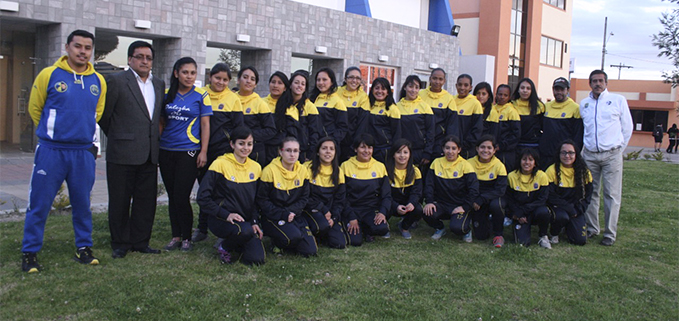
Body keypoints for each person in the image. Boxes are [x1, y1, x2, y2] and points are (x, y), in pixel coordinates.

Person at [22, 29, 106, 273]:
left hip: (82, 153)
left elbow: (96, 114)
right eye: (78, 46)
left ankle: (83, 248)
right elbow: (35, 109)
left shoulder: (98, 81)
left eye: (87, 48)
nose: (82, 51)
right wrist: (55, 132)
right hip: (52, 151)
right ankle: (30, 252)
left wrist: (81, 134)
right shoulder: (49, 74)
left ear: (92, 51)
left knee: (82, 204)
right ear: (67, 47)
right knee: (39, 203)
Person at [100, 40, 165, 258]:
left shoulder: (158, 83)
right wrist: (121, 137)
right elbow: (105, 116)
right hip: (122, 152)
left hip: (149, 153)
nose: (144, 61)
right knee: (119, 200)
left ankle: (140, 241)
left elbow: (155, 118)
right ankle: (120, 242)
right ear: (130, 59)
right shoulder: (116, 81)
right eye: (139, 57)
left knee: (146, 202)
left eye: (148, 58)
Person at [159, 57, 212, 252]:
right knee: (172, 196)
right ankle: (175, 236)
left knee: (182, 196)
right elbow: (161, 122)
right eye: (185, 72)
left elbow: (205, 124)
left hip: (189, 152)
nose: (189, 76)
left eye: (192, 73)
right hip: (166, 151)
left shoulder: (201, 95)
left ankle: (187, 237)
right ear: (176, 73)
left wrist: (203, 151)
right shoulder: (166, 95)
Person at [196, 126, 265, 265]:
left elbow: (256, 201)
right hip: (221, 219)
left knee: (256, 259)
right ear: (232, 144)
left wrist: (254, 221)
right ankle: (224, 247)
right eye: (241, 143)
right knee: (244, 232)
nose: (245, 148)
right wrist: (225, 214)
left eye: (249, 144)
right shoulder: (219, 164)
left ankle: (235, 241)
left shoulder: (256, 167)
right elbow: (202, 197)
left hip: (244, 222)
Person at [579, 69, 633, 246]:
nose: (598, 84)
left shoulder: (618, 100)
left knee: (612, 194)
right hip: (590, 155)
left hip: (612, 154)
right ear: (590, 83)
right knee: (591, 192)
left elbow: (627, 127)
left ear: (606, 83)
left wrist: (618, 149)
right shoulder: (584, 104)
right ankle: (593, 228)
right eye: (594, 81)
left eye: (601, 80)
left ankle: (610, 233)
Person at [192, 62, 244, 243]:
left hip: (222, 153)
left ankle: (221, 230)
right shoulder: (199, 94)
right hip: (199, 151)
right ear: (210, 77)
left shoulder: (233, 98)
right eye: (217, 78)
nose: (221, 82)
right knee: (204, 190)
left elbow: (238, 128)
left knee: (221, 192)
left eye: (225, 79)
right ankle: (202, 228)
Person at [258, 137, 316, 256]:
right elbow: (262, 200)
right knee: (291, 237)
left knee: (310, 251)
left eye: (295, 151)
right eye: (288, 150)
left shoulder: (303, 170)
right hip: (274, 216)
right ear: (280, 151)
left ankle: (291, 237)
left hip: (294, 215)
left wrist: (293, 212)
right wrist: (282, 214)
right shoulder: (269, 171)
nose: (292, 154)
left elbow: (304, 198)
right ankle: (277, 242)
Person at [423, 135, 479, 242]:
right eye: (447, 148)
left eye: (454, 148)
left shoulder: (465, 165)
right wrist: (429, 202)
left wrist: (465, 207)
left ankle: (467, 230)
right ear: (443, 149)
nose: (450, 151)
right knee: (426, 212)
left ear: (459, 150)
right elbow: (429, 185)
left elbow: (474, 190)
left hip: (459, 205)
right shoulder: (436, 163)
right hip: (442, 204)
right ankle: (440, 228)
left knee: (458, 228)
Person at [341, 133, 392, 246]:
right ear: (355, 149)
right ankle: (355, 225)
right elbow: (341, 196)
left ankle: (367, 228)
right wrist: (351, 217)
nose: (366, 151)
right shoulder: (345, 166)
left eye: (369, 147)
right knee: (355, 241)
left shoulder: (380, 167)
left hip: (370, 209)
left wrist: (382, 212)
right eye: (362, 147)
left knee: (382, 229)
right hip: (353, 209)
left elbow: (386, 195)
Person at [545, 140, 592, 246]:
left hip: (576, 209)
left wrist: (579, 209)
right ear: (559, 154)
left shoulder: (584, 172)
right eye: (564, 152)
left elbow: (588, 195)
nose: (567, 156)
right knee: (562, 217)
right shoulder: (551, 171)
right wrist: (569, 209)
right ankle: (554, 233)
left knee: (580, 241)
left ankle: (568, 228)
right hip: (559, 208)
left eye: (571, 153)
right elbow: (550, 196)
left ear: (576, 154)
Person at [304, 137, 348, 249]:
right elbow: (304, 197)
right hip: (311, 210)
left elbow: (340, 200)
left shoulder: (339, 172)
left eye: (331, 149)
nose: (328, 151)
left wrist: (333, 218)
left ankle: (322, 234)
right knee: (321, 226)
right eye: (324, 148)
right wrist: (322, 209)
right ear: (318, 152)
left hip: (329, 214)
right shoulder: (306, 168)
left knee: (340, 243)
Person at [505, 148, 551, 248]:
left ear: (535, 163)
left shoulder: (542, 176)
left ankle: (543, 236)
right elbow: (509, 199)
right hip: (519, 215)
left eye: (530, 160)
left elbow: (542, 199)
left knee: (544, 212)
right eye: (524, 159)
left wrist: (523, 211)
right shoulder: (511, 176)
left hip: (534, 212)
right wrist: (517, 214)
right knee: (522, 243)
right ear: (519, 161)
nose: (527, 162)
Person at [468, 135, 508, 248]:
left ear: (495, 150)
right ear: (477, 149)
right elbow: (466, 186)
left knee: (497, 205)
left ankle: (499, 234)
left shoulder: (499, 165)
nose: (485, 150)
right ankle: (487, 221)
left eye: (489, 148)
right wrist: (474, 200)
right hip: (476, 200)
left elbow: (500, 190)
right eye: (482, 147)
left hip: (492, 198)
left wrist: (481, 199)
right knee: (481, 236)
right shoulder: (468, 163)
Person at [273, 70, 321, 162]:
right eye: (296, 82)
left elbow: (314, 132)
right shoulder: (282, 103)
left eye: (303, 84)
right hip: (284, 151)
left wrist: (310, 153)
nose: (299, 86)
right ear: (290, 85)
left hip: (302, 152)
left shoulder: (310, 106)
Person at [236, 66, 277, 165]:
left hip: (255, 153)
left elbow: (271, 130)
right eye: (245, 77)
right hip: (233, 150)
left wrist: (248, 137)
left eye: (252, 79)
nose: (248, 81)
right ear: (238, 80)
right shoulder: (231, 100)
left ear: (255, 84)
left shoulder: (260, 103)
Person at [539, 77, 583, 169]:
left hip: (564, 156)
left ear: (568, 90)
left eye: (562, 89)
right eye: (556, 89)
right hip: (546, 155)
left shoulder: (575, 108)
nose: (559, 92)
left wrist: (572, 155)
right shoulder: (546, 106)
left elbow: (578, 135)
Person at [384, 139, 423, 239]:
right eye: (398, 152)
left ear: (410, 154)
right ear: (393, 154)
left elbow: (417, 192)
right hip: (391, 203)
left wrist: (411, 203)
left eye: (405, 152)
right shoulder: (386, 170)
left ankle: (404, 227)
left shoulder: (415, 171)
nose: (402, 156)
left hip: (406, 205)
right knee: (383, 206)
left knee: (418, 209)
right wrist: (396, 206)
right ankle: (384, 227)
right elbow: (385, 194)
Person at [418, 68, 457, 156]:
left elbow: (451, 125)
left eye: (440, 79)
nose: (437, 82)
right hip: (422, 141)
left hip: (439, 142)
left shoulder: (449, 98)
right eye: (434, 78)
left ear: (444, 81)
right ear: (430, 79)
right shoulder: (420, 95)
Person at [397, 75, 435, 167]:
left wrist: (427, 152)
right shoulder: (397, 107)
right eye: (410, 86)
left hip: (420, 153)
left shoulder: (425, 107)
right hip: (401, 153)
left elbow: (431, 132)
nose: (413, 90)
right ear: (405, 87)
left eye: (416, 87)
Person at [361, 77, 401, 163]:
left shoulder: (392, 109)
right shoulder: (367, 106)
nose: (379, 91)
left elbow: (397, 134)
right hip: (367, 149)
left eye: (383, 89)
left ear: (388, 92)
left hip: (385, 150)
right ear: (372, 90)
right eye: (377, 88)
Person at [310, 68, 349, 149]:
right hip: (313, 144)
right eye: (318, 80)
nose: (321, 83)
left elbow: (342, 128)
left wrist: (331, 142)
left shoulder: (337, 101)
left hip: (328, 147)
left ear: (332, 82)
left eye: (324, 80)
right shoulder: (312, 100)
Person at [336, 67, 370, 161]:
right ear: (345, 79)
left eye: (358, 78)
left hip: (351, 145)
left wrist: (354, 147)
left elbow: (362, 125)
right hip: (335, 142)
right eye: (351, 77)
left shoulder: (363, 97)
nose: (354, 80)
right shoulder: (336, 93)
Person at [491, 84, 521, 172]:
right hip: (491, 151)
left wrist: (501, 146)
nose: (502, 97)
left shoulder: (512, 111)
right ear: (496, 94)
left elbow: (516, 134)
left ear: (509, 97)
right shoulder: (492, 109)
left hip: (506, 153)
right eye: (500, 94)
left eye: (505, 95)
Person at [454, 74, 484, 159]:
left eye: (466, 85)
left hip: (467, 150)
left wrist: (465, 145)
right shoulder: (451, 100)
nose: (462, 88)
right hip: (452, 148)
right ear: (456, 85)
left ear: (470, 87)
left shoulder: (475, 103)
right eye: (460, 85)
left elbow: (477, 129)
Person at [512, 78, 545, 154]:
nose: (525, 90)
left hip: (533, 145)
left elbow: (543, 127)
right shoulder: (511, 105)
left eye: (528, 88)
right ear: (518, 90)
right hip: (516, 146)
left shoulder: (539, 107)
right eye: (522, 88)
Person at [264, 71, 290, 164]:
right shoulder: (260, 102)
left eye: (280, 83)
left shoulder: (290, 107)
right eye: (273, 82)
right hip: (262, 148)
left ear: (285, 88)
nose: (275, 85)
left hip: (280, 150)